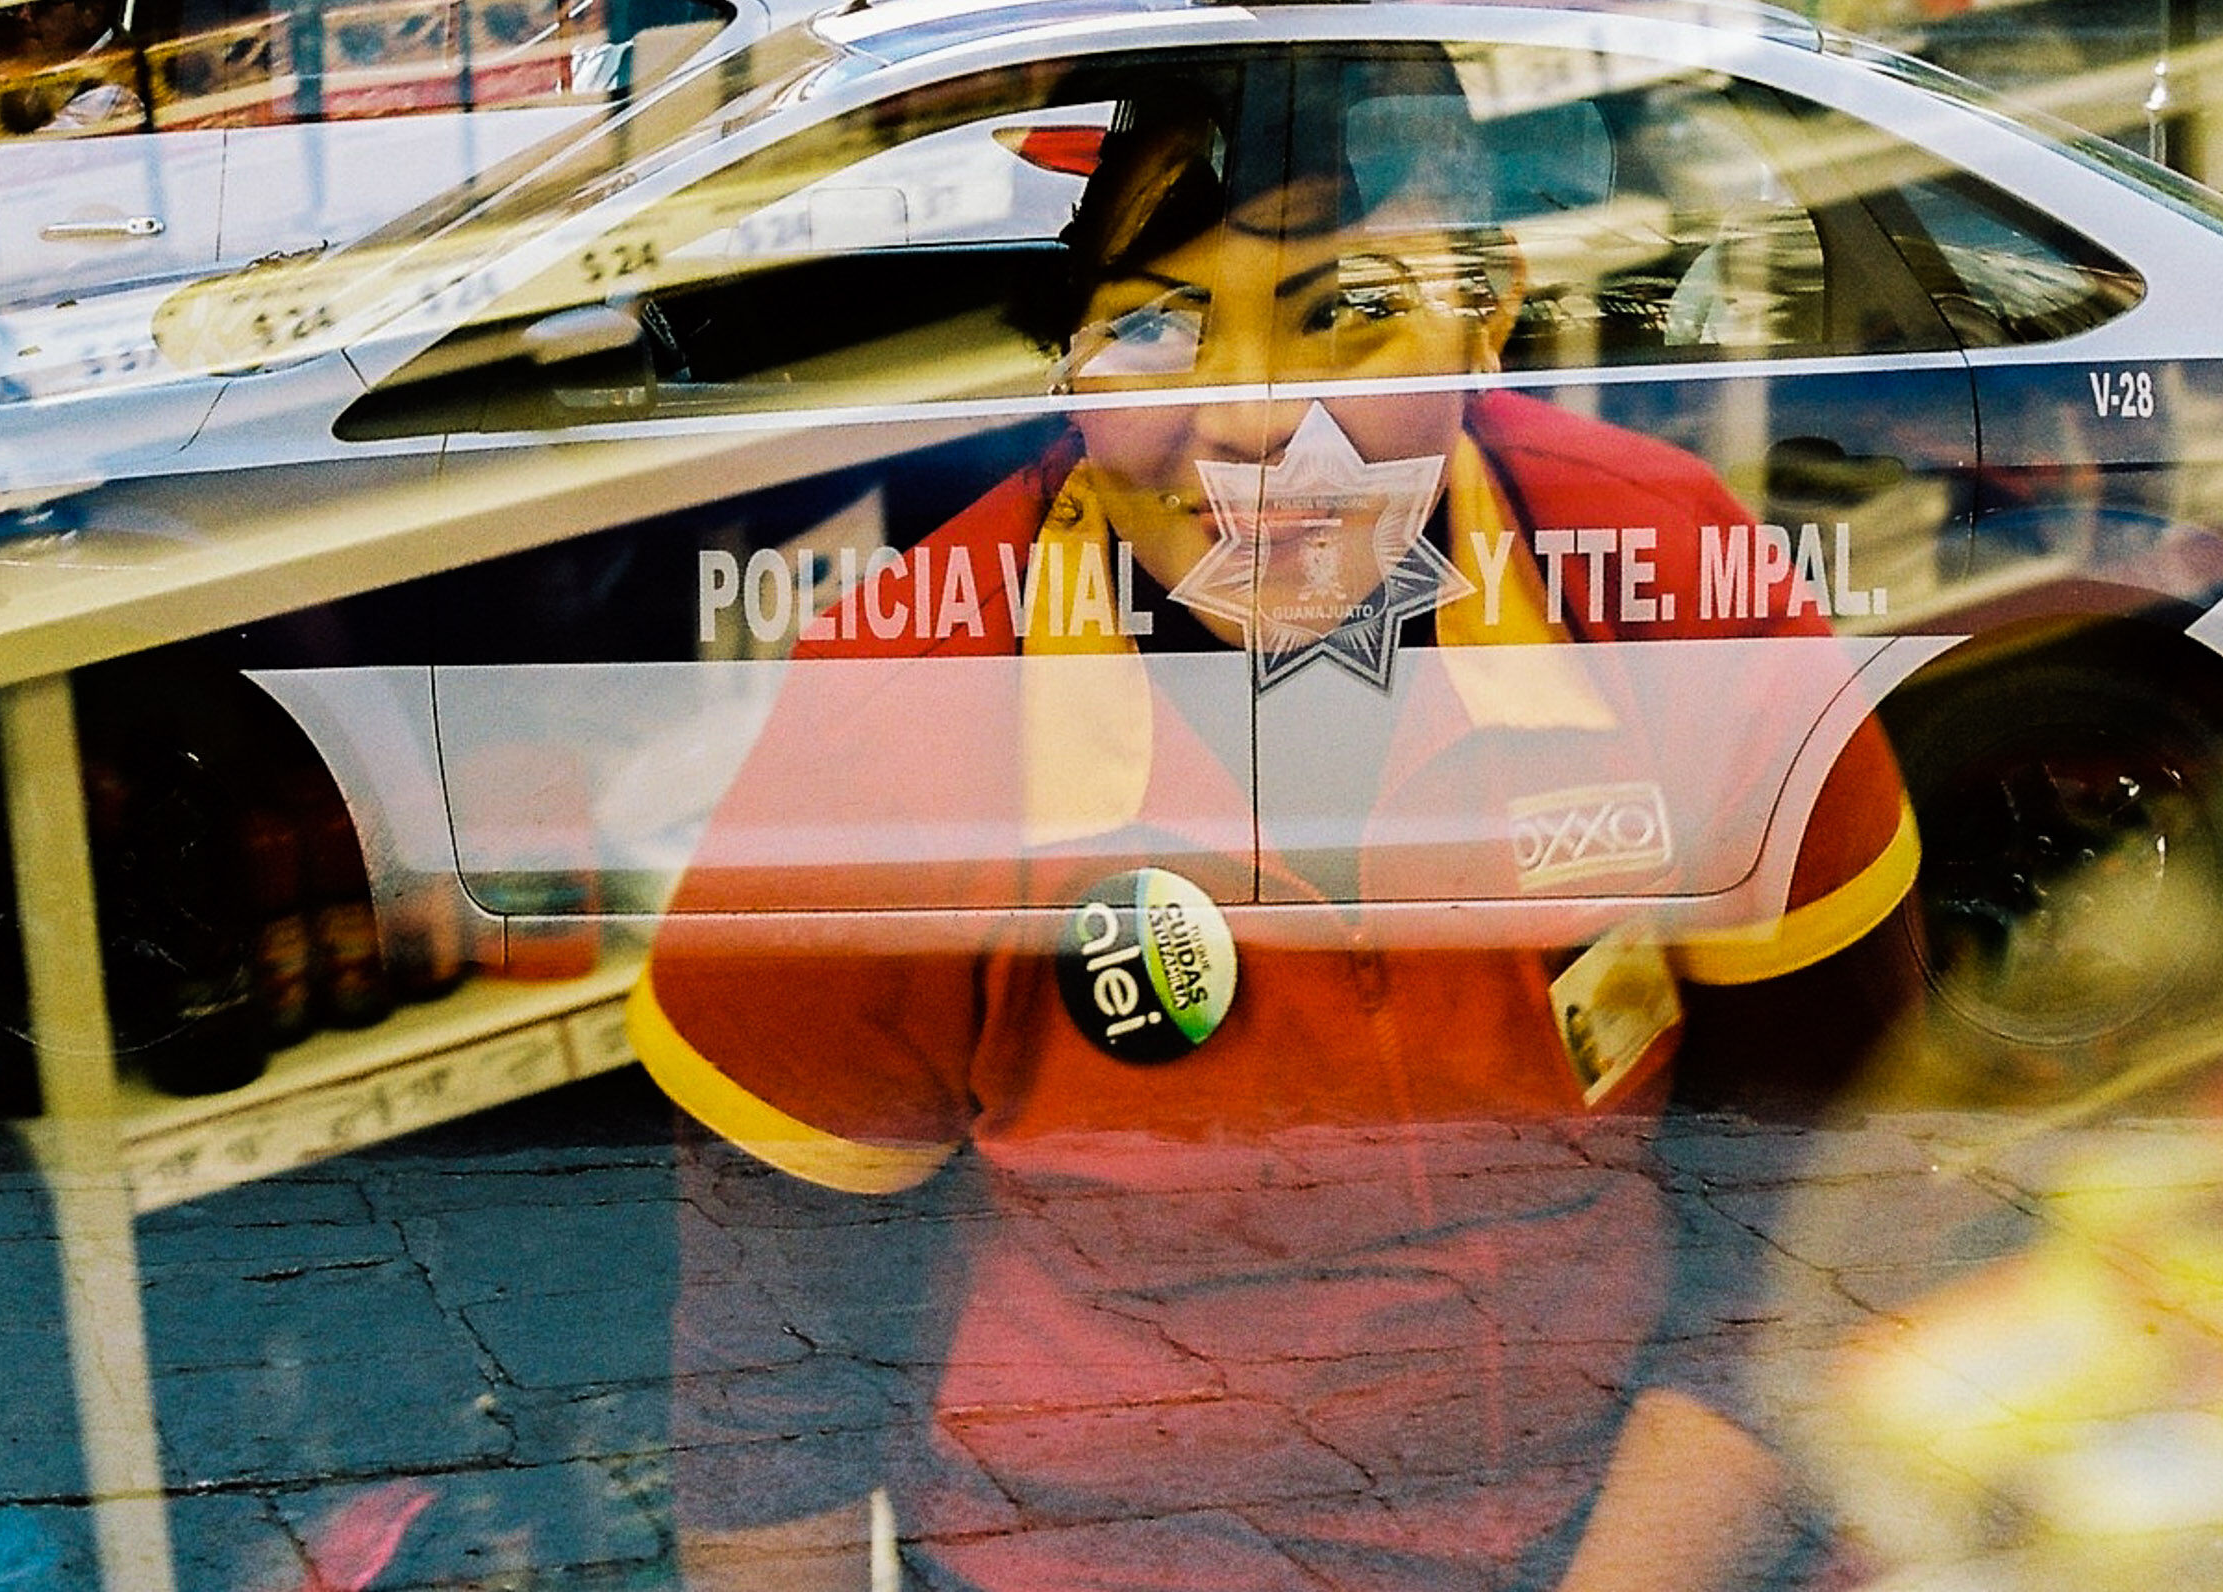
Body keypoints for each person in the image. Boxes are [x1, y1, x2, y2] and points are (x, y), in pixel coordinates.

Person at [624, 81, 1922, 1592]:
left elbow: (1829, 1200)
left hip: (1641, 1528)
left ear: (1487, 312)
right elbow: (770, 1405)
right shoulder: (903, 717)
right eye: (1157, 328)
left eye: (1347, 313)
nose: (1254, 425)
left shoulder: (1663, 576)